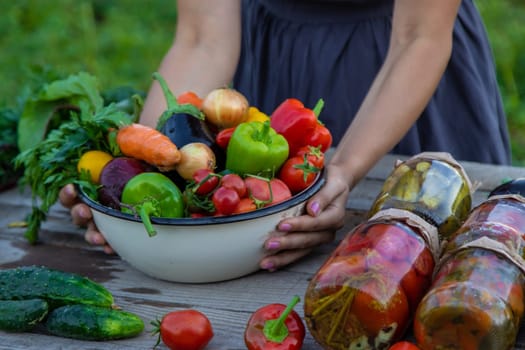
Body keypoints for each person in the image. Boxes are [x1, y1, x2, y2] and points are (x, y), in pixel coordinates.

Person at [59, 0, 511, 270]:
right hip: (272, 72)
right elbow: (202, 39)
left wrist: (342, 174)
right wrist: (142, 168)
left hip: (401, 80)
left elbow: (419, 38)